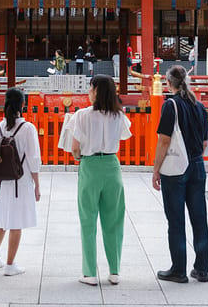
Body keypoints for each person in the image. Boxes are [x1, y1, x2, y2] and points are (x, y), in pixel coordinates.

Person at [151, 64, 208, 283]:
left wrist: (156, 169)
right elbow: (204, 141)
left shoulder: (170, 106)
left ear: (168, 83)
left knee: (176, 219)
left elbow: (164, 140)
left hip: (175, 170)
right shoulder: (199, 106)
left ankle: (178, 269)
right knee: (199, 218)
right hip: (197, 165)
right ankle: (202, 269)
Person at [71, 74, 131, 286]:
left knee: (88, 220)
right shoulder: (119, 115)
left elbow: (75, 147)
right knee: (114, 219)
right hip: (112, 166)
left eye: (90, 88)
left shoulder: (82, 115)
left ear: (95, 90)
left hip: (90, 165)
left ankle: (89, 273)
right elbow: (125, 136)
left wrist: (79, 158)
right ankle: (114, 271)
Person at [0, 88, 41, 276]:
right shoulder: (27, 128)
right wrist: (37, 185)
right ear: (23, 105)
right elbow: (34, 159)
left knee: (1, 220)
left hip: (3, 181)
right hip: (21, 180)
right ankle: (10, 264)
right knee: (16, 223)